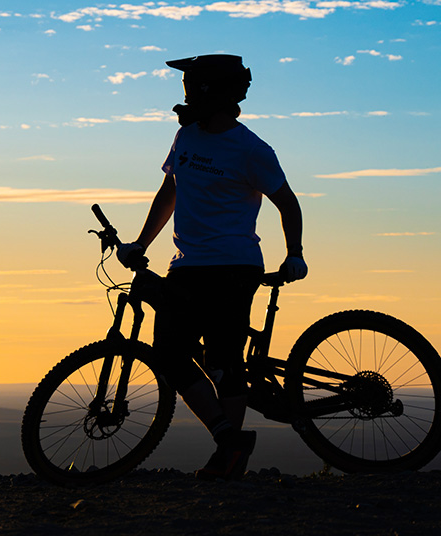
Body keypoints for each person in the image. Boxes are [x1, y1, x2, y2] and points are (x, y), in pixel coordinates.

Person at [116, 54, 308, 480]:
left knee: (224, 360)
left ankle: (229, 455)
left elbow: (288, 203)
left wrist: (294, 252)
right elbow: (170, 191)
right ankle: (229, 438)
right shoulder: (185, 137)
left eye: (191, 87)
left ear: (212, 93)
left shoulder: (251, 150)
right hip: (186, 264)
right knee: (168, 351)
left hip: (234, 266)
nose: (184, 96)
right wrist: (140, 243)